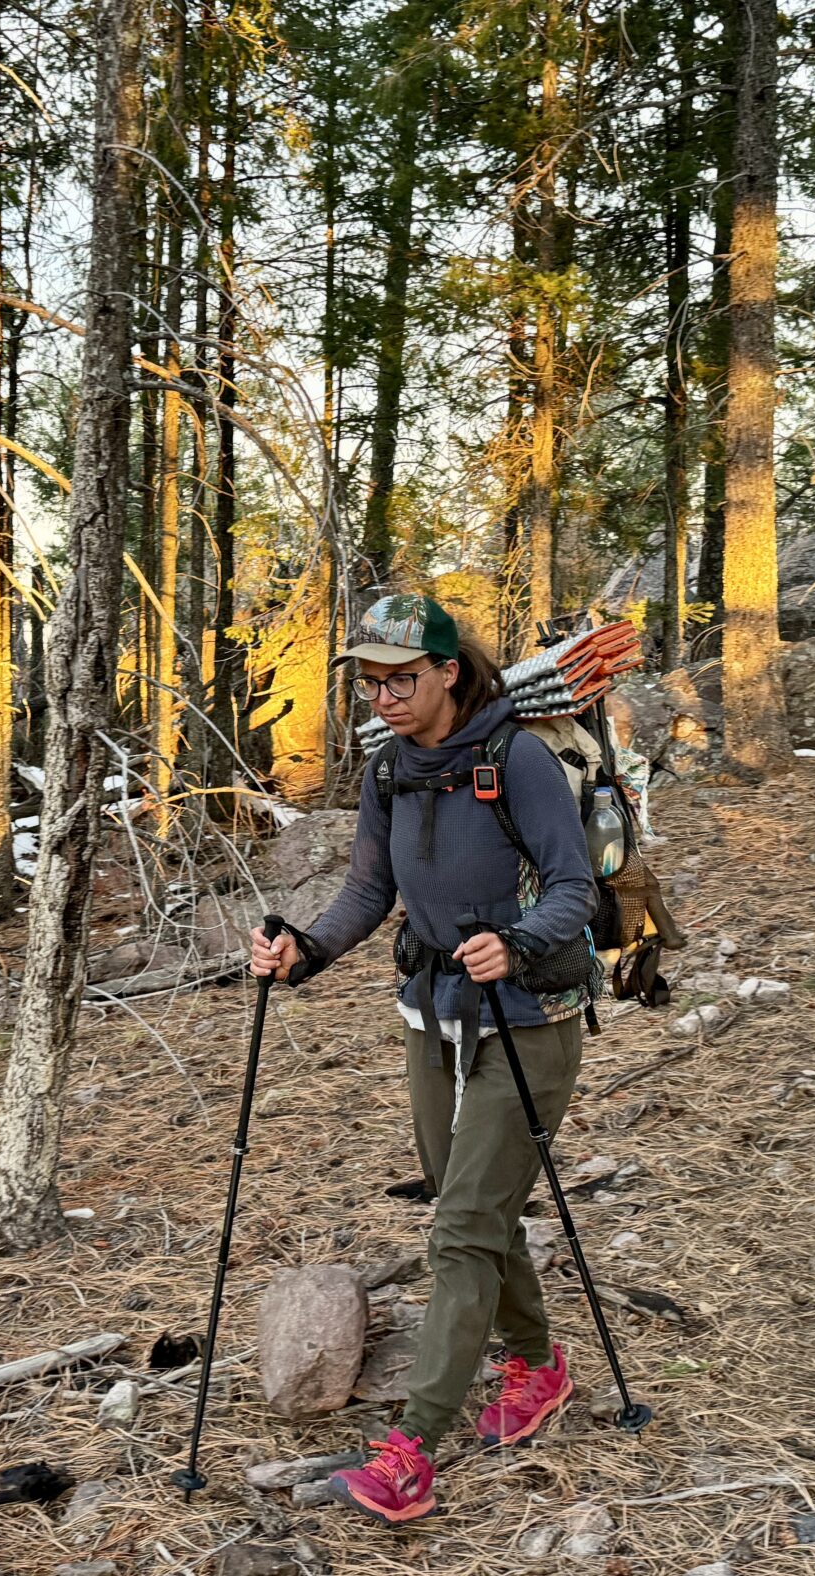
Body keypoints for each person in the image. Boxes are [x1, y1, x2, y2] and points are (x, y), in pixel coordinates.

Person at [250, 593, 596, 1525]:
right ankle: (537, 1363)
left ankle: (413, 1447)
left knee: (460, 1229)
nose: (383, 697)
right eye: (370, 681)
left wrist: (517, 943)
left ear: (450, 670)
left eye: (401, 678)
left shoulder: (516, 758)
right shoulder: (389, 767)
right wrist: (308, 950)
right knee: (470, 1209)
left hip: (528, 1018)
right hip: (431, 1011)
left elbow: (577, 888)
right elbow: (371, 884)